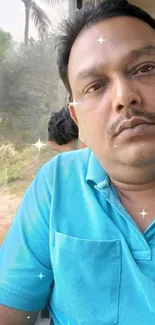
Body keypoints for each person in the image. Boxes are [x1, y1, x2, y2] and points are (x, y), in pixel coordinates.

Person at [1, 0, 155, 324]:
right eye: (96, 86)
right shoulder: (55, 185)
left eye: (145, 68)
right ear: (77, 120)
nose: (124, 96)